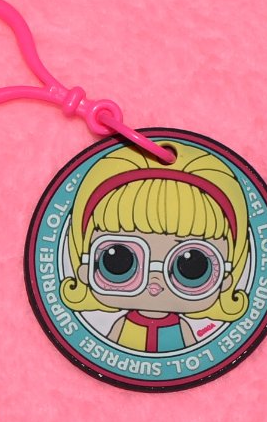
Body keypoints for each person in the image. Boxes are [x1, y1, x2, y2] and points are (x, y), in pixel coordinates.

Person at [59, 142, 251, 354]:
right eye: (117, 262)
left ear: (225, 279)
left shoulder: (182, 329)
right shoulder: (121, 326)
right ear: (85, 270)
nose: (155, 282)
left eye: (193, 268)